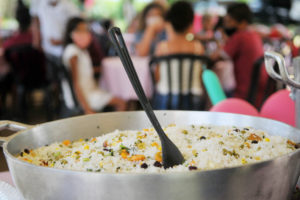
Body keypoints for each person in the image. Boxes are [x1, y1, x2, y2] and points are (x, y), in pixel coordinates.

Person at [63, 17, 126, 114]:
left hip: (91, 91)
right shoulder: (73, 52)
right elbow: (74, 83)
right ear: (71, 32)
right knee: (121, 103)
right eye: (79, 30)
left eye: (85, 30)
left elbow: (84, 71)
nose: (84, 33)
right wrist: (86, 108)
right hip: (84, 97)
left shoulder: (82, 51)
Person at [211, 3, 267, 106]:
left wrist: (221, 37)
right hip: (258, 93)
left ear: (242, 22)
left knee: (213, 91)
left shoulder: (240, 36)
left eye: (229, 22)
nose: (226, 26)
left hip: (244, 94)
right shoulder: (253, 35)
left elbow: (216, 57)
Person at [153, 1, 205, 110]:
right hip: (193, 101)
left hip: (165, 99)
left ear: (169, 22)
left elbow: (157, 77)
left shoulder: (162, 47)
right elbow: (201, 76)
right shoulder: (198, 47)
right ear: (190, 24)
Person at [30, 0, 81, 82]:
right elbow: (35, 21)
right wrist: (37, 40)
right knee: (53, 80)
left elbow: (78, 26)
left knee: (70, 80)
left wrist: (62, 41)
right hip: (48, 51)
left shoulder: (69, 6)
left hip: (66, 50)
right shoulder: (39, 3)